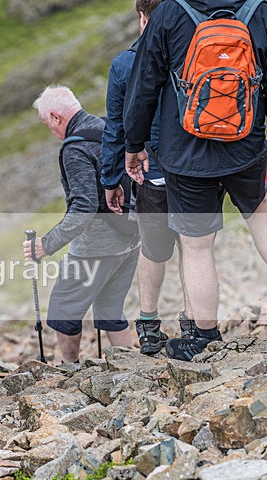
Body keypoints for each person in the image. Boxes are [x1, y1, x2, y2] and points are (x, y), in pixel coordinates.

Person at [124, 0, 267, 361]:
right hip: (246, 143)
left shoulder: (171, 12)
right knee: (263, 221)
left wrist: (134, 144)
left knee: (198, 246)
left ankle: (204, 337)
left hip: (187, 152)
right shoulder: (259, 8)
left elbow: (144, 84)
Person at [102, 0, 193, 355]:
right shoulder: (192, 49)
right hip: (195, 168)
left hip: (150, 171)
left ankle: (150, 325)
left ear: (143, 18)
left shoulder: (125, 63)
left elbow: (116, 128)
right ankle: (194, 322)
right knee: (194, 245)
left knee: (153, 250)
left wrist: (111, 179)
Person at [24, 85, 140, 365]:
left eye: (47, 124)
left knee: (64, 309)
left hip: (96, 246)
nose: (50, 131)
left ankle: (70, 371)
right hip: (132, 237)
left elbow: (84, 208)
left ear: (55, 117)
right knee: (111, 311)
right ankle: (131, 371)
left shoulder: (75, 148)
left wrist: (45, 245)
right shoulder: (105, 129)